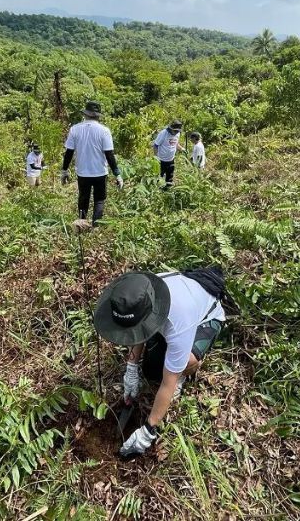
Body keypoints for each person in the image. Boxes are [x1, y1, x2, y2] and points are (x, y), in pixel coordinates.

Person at [93, 268, 227, 459]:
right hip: (166, 312)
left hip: (205, 318)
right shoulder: (141, 292)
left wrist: (148, 429)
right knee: (151, 370)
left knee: (183, 363)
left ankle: (185, 374)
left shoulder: (179, 322)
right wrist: (131, 368)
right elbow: (135, 329)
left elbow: (167, 382)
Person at [61, 101, 123, 224]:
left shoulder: (75, 129)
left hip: (83, 173)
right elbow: (109, 155)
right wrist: (118, 174)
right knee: (99, 200)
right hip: (100, 172)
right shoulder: (104, 131)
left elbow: (69, 152)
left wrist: (64, 171)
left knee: (83, 198)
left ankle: (81, 224)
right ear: (98, 116)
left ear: (85, 114)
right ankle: (96, 226)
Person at [152, 121, 185, 189]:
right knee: (159, 177)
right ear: (171, 129)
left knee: (169, 178)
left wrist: (182, 149)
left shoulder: (177, 134)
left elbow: (175, 143)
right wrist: (156, 158)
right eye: (174, 131)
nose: (176, 133)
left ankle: (167, 190)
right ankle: (157, 191)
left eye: (177, 131)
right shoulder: (163, 133)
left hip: (171, 159)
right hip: (161, 160)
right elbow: (155, 145)